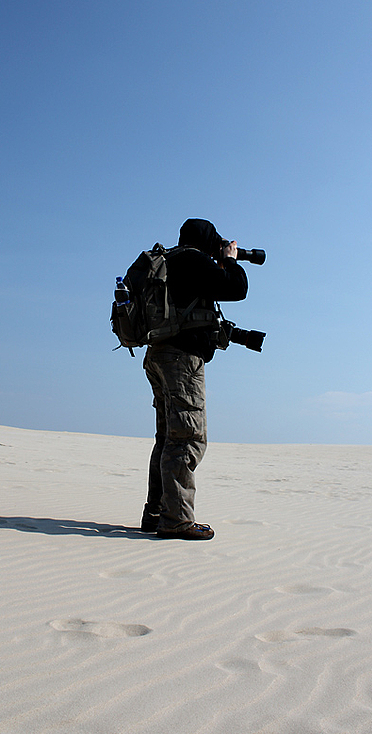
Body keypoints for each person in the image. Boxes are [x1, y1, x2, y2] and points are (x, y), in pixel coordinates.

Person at [141, 219, 248, 540]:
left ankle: (156, 513)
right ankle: (176, 520)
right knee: (187, 438)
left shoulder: (171, 260)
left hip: (158, 354)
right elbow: (237, 288)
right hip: (181, 360)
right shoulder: (193, 259)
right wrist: (229, 259)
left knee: (168, 438)